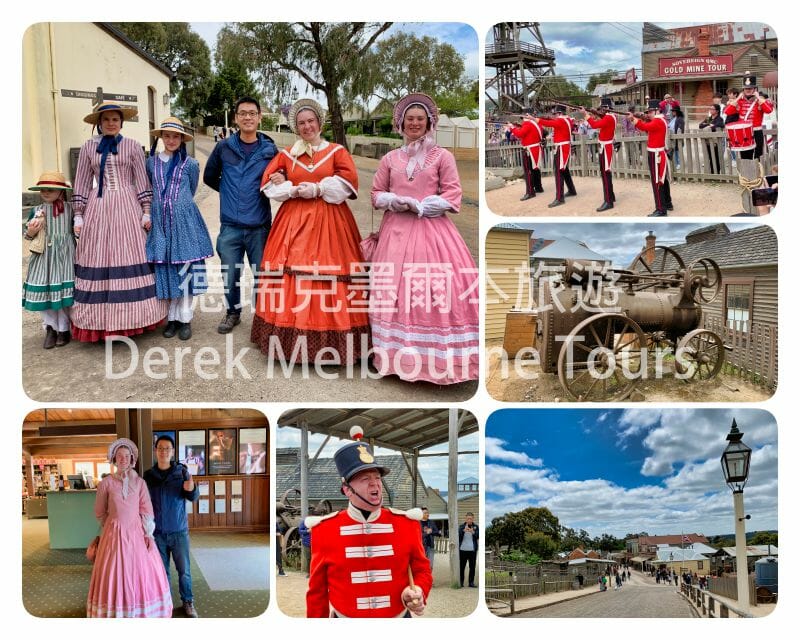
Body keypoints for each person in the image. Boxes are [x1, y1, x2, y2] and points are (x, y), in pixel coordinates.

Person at [369, 93, 479, 384]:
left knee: (435, 287)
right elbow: (375, 193)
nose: (415, 123)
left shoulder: (443, 156)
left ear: (429, 122)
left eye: (420, 119)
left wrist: (423, 205)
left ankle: (437, 363)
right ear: (401, 123)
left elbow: (453, 193)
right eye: (410, 119)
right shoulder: (390, 158)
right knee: (392, 290)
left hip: (432, 231)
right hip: (395, 234)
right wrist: (393, 200)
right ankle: (392, 358)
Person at [252, 98, 369, 364]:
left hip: (331, 224)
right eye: (302, 123)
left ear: (319, 122)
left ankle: (333, 341)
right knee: (291, 274)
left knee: (331, 273)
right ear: (296, 126)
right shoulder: (287, 154)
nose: (307, 127)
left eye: (311, 121)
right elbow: (268, 186)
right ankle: (291, 342)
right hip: (293, 223)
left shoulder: (336, 151)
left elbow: (348, 184)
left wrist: (318, 188)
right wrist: (290, 187)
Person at [305, 426, 432, 617]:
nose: (375, 483)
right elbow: (317, 593)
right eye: (365, 478)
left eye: (377, 477)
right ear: (347, 489)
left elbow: (422, 571)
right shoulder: (324, 529)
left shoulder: (407, 524)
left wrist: (418, 591)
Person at [70, 101, 167, 341]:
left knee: (128, 253)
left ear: (121, 122)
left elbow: (142, 181)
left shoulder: (132, 146)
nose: (111, 123)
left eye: (115, 119)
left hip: (126, 204)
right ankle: (98, 321)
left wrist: (146, 210)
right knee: (98, 254)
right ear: (99, 124)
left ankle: (133, 319)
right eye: (106, 120)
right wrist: (79, 213)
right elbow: (81, 181)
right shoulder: (88, 148)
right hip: (99, 206)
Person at [203, 96, 277, 334]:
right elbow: (210, 177)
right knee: (230, 274)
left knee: (261, 275)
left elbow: (280, 178)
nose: (247, 117)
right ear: (235, 118)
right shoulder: (224, 147)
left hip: (260, 226)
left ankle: (261, 317)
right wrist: (229, 191)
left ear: (259, 117)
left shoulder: (269, 148)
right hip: (231, 226)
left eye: (252, 113)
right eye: (242, 113)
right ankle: (232, 313)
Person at [86, 438, 172, 617]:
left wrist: (148, 534)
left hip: (137, 534)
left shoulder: (140, 483)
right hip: (113, 534)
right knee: (114, 573)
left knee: (138, 571)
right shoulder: (106, 483)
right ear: (114, 459)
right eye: (119, 456)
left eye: (126, 455)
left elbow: (146, 509)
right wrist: (112, 526)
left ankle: (140, 610)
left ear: (132, 458)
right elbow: (100, 512)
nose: (123, 459)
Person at [146, 117, 213, 340]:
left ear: (182, 139)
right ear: (161, 138)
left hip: (184, 222)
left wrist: (178, 206)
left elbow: (191, 189)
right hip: (160, 223)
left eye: (176, 136)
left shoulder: (190, 164)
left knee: (186, 268)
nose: (171, 140)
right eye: (167, 136)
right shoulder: (151, 163)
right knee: (167, 268)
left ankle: (185, 318)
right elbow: (151, 189)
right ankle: (171, 318)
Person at [143, 435, 200, 617]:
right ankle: (164, 602)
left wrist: (192, 488)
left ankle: (188, 602)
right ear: (155, 451)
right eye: (160, 448)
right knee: (162, 572)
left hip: (179, 532)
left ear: (173, 451)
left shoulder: (181, 472)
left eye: (167, 448)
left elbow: (192, 497)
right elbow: (143, 503)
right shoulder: (148, 476)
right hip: (157, 533)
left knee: (184, 571)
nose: (164, 451)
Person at [22, 171, 76, 348]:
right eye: (42, 189)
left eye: (50, 189)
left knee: (62, 293)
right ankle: (50, 328)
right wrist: (31, 231)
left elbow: (77, 229)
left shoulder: (70, 209)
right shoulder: (36, 211)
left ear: (61, 191)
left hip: (65, 256)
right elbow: (28, 237)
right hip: (44, 257)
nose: (45, 192)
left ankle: (64, 329)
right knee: (45, 292)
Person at [628, 99, 673, 217]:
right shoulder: (660, 120)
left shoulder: (658, 121)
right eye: (648, 112)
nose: (648, 114)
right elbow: (647, 127)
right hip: (657, 152)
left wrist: (633, 119)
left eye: (650, 112)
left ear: (657, 110)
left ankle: (660, 209)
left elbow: (644, 127)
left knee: (656, 182)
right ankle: (667, 203)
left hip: (655, 154)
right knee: (663, 181)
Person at [724, 75, 773, 161]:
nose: (748, 90)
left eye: (750, 88)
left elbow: (769, 110)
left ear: (755, 89)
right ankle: (747, 174)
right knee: (745, 158)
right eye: (746, 88)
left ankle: (758, 174)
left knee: (758, 157)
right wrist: (738, 98)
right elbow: (727, 112)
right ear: (743, 90)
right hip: (744, 133)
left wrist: (758, 97)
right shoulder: (739, 101)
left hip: (757, 132)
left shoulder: (760, 101)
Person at [536, 104, 577, 207]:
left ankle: (559, 198)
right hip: (563, 147)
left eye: (556, 114)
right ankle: (571, 190)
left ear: (559, 113)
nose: (555, 116)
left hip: (561, 148)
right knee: (564, 170)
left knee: (559, 172)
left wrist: (534, 118)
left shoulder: (561, 121)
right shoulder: (567, 120)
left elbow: (547, 123)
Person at [581, 98, 617, 211]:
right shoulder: (610, 116)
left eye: (602, 108)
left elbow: (595, 125)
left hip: (606, 147)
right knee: (606, 174)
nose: (601, 110)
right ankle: (611, 196)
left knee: (605, 175)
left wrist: (586, 115)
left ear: (606, 108)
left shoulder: (609, 117)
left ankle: (608, 201)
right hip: (605, 147)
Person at [505, 114, 544, 199]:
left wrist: (512, 127)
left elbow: (519, 134)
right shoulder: (536, 123)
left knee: (528, 171)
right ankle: (538, 187)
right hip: (536, 148)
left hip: (529, 150)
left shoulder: (527, 124)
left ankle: (530, 192)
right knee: (535, 169)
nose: (522, 120)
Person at [699, 104, 725, 174]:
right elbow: (700, 125)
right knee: (710, 157)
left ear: (717, 111)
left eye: (712, 109)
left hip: (715, 142)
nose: (711, 110)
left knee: (716, 158)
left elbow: (720, 125)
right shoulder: (709, 118)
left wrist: (711, 126)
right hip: (707, 141)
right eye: (710, 109)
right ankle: (712, 173)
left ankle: (717, 173)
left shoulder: (719, 119)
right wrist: (709, 125)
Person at [458, 512, 478, 588]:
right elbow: (458, 536)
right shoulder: (461, 526)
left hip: (472, 550)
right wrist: (463, 531)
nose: (469, 520)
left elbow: (478, 536)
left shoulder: (476, 527)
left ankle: (471, 582)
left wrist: (473, 532)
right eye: (468, 518)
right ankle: (461, 582)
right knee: (461, 567)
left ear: (473, 519)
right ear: (465, 519)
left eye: (471, 518)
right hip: (462, 550)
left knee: (472, 567)